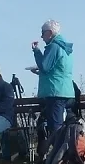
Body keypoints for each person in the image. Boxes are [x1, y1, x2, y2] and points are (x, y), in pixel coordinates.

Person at [26, 19, 74, 155]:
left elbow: (45, 66)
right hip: (64, 89)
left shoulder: (53, 46)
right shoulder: (65, 47)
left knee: (55, 125)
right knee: (57, 123)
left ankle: (60, 155)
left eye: (43, 33)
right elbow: (57, 69)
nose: (41, 36)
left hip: (55, 91)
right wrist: (40, 71)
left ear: (50, 32)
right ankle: (60, 154)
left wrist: (36, 51)